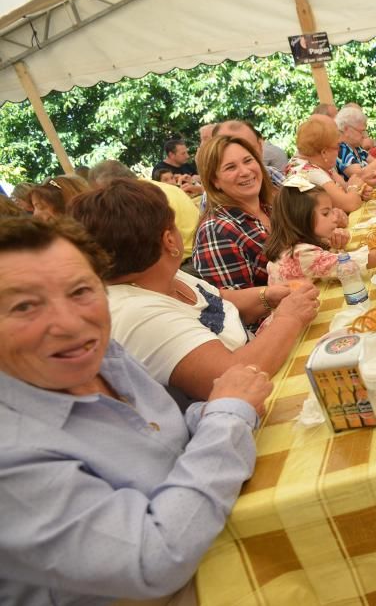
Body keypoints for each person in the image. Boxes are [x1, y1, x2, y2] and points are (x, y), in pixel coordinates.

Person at [0, 216, 271, 604]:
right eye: (25, 305)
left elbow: (167, 440)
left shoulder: (103, 355)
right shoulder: (9, 451)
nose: (70, 323)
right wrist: (228, 415)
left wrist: (217, 412)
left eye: (80, 291)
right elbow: (153, 559)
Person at [69, 179, 319, 404]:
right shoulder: (136, 312)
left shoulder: (156, 272)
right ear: (169, 240)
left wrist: (269, 294)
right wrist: (289, 317)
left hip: (269, 373)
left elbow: (216, 301)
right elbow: (231, 376)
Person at [263, 176, 376, 283]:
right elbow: (350, 265)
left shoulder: (297, 243)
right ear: (301, 218)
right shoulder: (300, 253)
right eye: (325, 213)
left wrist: (334, 244)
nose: (334, 218)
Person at [193, 135, 275, 289]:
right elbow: (236, 308)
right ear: (214, 181)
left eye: (248, 160)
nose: (245, 171)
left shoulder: (271, 208)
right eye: (231, 167)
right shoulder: (216, 231)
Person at [90, 158, 201, 266]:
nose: (103, 200)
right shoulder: (164, 188)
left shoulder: (141, 201)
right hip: (199, 254)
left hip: (185, 264)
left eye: (102, 194)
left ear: (114, 186)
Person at [285, 115, 373, 214]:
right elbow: (350, 204)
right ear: (324, 152)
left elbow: (345, 188)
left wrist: (359, 190)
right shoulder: (308, 171)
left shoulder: (314, 161)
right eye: (337, 147)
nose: (339, 151)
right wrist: (355, 188)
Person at [334, 106, 376, 180]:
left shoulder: (357, 147)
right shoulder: (341, 149)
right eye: (361, 131)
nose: (364, 136)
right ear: (346, 129)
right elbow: (360, 175)